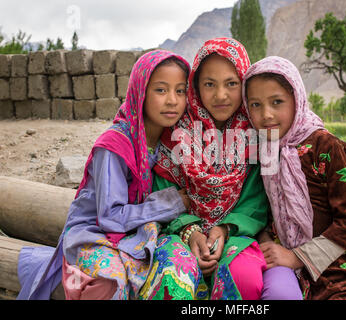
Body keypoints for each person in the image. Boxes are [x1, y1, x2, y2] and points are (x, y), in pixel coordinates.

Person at [16, 50, 191, 300]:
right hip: (95, 232)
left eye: (180, 91)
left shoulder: (170, 140)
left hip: (136, 229)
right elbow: (109, 216)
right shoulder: (115, 146)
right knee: (110, 282)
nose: (173, 100)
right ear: (140, 92)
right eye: (161, 90)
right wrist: (174, 203)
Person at [141, 38, 269, 300]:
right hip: (179, 232)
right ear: (196, 87)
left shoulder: (256, 136)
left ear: (244, 84)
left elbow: (256, 201)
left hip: (237, 234)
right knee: (172, 277)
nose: (220, 95)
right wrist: (191, 231)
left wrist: (224, 230)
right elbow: (164, 192)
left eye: (231, 84)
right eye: (209, 84)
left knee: (243, 277)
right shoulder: (177, 132)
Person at [242, 56, 346, 300]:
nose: (266, 114)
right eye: (255, 105)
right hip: (284, 263)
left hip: (334, 266)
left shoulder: (326, 148)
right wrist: (267, 242)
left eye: (277, 102)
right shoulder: (266, 151)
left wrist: (297, 257)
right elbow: (270, 214)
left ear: (297, 100)